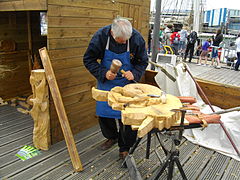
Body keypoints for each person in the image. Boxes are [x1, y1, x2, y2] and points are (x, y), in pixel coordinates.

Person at [83, 17, 148, 159]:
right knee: (104, 113)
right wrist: (103, 73)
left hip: (127, 85)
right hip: (107, 81)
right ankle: (112, 137)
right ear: (112, 33)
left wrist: (135, 73)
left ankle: (124, 148)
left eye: (126, 40)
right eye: (121, 40)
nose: (125, 42)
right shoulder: (101, 37)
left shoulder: (136, 38)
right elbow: (88, 59)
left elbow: (143, 61)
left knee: (128, 117)